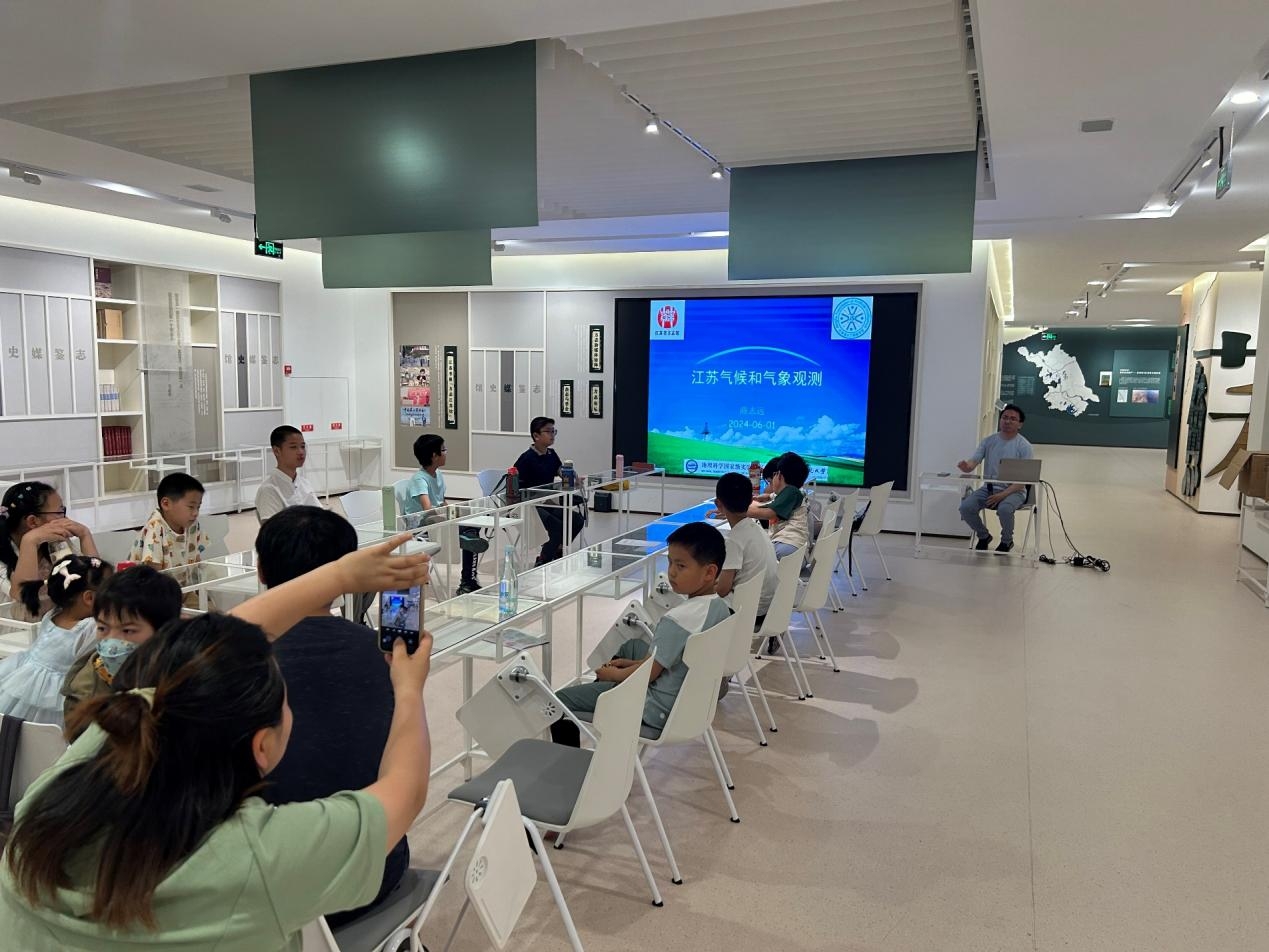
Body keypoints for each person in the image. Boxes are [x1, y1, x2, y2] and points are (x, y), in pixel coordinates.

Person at [0, 533, 433, 950]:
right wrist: (409, 689)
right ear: (262, 747)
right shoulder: (253, 858)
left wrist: (339, 576)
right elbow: (405, 791)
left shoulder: (66, 780)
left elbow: (200, 658)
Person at [253, 506, 409, 927]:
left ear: (261, 570)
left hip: (270, 889)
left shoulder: (231, 663)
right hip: (376, 867)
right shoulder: (387, 655)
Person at [552, 522, 731, 746]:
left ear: (709, 572)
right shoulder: (720, 608)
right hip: (690, 702)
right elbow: (666, 661)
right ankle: (606, 698)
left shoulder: (677, 619)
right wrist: (629, 664)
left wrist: (613, 675)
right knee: (631, 646)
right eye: (670, 562)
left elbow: (648, 675)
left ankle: (582, 753)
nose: (671, 572)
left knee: (558, 701)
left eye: (681, 566)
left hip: (655, 709)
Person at [61, 565, 184, 729]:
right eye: (102, 628)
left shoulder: (186, 677)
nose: (112, 641)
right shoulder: (82, 693)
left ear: (164, 632)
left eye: (127, 630)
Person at [0, 555, 113, 726]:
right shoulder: (91, 627)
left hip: (24, 680)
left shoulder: (53, 614)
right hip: (55, 694)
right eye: (112, 590)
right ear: (89, 598)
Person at [0, 481, 99, 614]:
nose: (65, 518)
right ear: (33, 521)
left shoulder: (54, 542)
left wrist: (85, 535)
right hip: (14, 626)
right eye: (60, 512)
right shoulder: (6, 551)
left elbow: (94, 582)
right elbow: (22, 595)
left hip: (54, 622)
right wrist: (29, 542)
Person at [406, 433, 481, 594]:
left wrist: (454, 514)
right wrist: (449, 517)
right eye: (443, 450)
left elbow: (441, 501)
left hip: (438, 521)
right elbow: (428, 510)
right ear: (434, 455)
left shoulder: (438, 474)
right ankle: (467, 580)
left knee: (471, 526)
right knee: (469, 532)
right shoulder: (419, 479)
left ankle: (468, 578)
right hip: (421, 528)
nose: (446, 453)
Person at [957, 403, 1035, 553]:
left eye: (1013, 419)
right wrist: (966, 466)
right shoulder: (988, 441)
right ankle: (983, 536)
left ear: (1020, 424)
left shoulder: (1024, 446)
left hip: (1014, 491)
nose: (1007, 421)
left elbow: (1022, 482)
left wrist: (1002, 495)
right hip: (989, 489)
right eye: (1005, 417)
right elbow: (973, 462)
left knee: (1005, 509)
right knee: (965, 508)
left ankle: (1007, 541)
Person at [513, 416, 585, 565]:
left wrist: (574, 479)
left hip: (546, 502)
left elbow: (561, 472)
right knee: (557, 527)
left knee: (577, 520)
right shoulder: (526, 459)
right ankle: (543, 561)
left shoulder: (552, 455)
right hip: (529, 505)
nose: (552, 435)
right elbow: (515, 487)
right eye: (548, 431)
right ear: (536, 436)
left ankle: (556, 549)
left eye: (554, 431)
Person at [712, 473, 779, 629]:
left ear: (718, 504)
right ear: (751, 500)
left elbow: (722, 590)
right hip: (767, 608)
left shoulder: (734, 540)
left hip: (746, 612)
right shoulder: (756, 528)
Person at [128, 473, 210, 581]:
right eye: (191, 507)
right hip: (152, 588)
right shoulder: (155, 527)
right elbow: (153, 575)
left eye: (198, 507)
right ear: (166, 504)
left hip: (181, 587)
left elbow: (196, 559)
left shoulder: (192, 525)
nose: (195, 513)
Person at [746, 452, 811, 559]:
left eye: (775, 474)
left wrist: (738, 508)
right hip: (794, 547)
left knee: (752, 556)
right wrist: (765, 496)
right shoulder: (792, 492)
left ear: (779, 475)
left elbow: (769, 513)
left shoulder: (791, 492)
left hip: (788, 546)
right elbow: (773, 496)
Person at [255, 425, 323, 523]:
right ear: (277, 451)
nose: (301, 452)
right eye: (293, 447)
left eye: (303, 446)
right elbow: (272, 530)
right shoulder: (269, 490)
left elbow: (321, 516)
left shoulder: (304, 483)